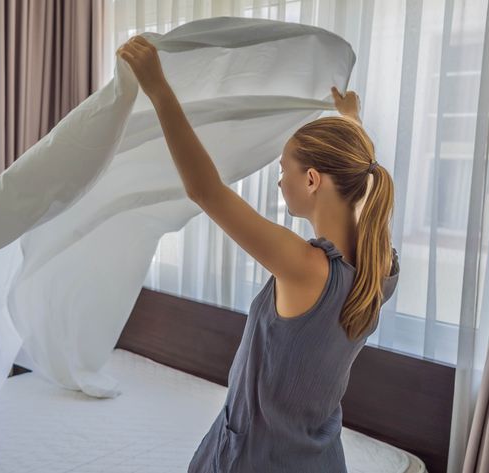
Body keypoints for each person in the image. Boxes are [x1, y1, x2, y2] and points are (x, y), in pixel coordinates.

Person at [116, 35, 401, 473]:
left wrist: (158, 88)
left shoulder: (306, 267)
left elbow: (205, 190)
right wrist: (351, 121)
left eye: (282, 169)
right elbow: (362, 170)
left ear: (311, 180)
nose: (279, 181)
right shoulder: (380, 269)